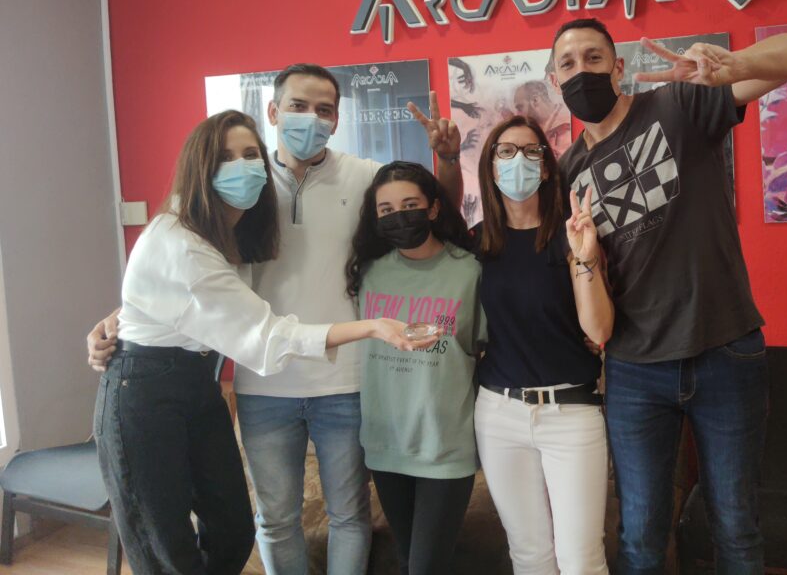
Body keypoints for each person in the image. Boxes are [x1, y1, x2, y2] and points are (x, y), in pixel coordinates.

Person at [88, 64, 463, 575]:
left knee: (342, 514)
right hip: (262, 383)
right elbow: (190, 276)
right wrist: (124, 318)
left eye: (324, 110)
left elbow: (429, 215)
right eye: (298, 106)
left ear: (337, 118)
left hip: (341, 380)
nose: (311, 118)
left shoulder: (356, 177)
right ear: (273, 110)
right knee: (273, 519)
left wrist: (447, 161)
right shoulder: (243, 188)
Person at [550, 18, 787, 575]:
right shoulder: (569, 173)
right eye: (568, 64)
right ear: (555, 81)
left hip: (726, 350)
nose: (581, 72)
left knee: (736, 527)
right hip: (633, 369)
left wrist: (735, 66)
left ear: (618, 67)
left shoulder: (678, 106)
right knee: (641, 535)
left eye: (594, 58)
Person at [473, 114, 613, 575]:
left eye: (531, 151)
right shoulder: (477, 244)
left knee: (581, 559)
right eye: (506, 151)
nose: (519, 160)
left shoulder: (571, 235)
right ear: (491, 166)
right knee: (529, 554)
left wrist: (585, 258)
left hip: (571, 414)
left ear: (547, 167)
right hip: (499, 414)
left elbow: (599, 330)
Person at [345, 161, 486, 575]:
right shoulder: (369, 273)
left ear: (433, 208)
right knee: (408, 561)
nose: (399, 216)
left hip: (444, 444)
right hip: (385, 443)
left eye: (410, 205)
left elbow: (486, 349)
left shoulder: (469, 270)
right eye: (386, 210)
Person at [513, 80, 572, 157]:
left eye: (520, 107)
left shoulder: (568, 126)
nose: (517, 114)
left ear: (535, 100)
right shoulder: (535, 129)